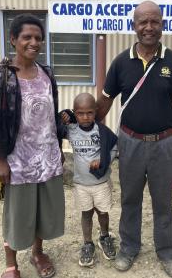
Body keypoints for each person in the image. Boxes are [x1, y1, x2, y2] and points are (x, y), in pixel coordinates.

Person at [96, 0, 172, 277]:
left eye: (154, 21)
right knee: (130, 198)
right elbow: (104, 101)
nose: (149, 27)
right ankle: (129, 248)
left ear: (162, 25)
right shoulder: (121, 63)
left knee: (163, 200)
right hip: (129, 143)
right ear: (134, 26)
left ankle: (166, 252)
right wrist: (86, 127)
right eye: (143, 22)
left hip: (164, 144)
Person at [0, 14, 65, 278]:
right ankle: (11, 264)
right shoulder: (1, 76)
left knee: (42, 210)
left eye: (38, 38)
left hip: (47, 156)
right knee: (17, 214)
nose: (34, 42)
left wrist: (59, 147)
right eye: (27, 37)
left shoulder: (46, 73)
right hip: (17, 159)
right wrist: (0, 160)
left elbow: (49, 115)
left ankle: (37, 253)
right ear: (13, 40)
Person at [60, 93, 118, 268]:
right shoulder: (71, 130)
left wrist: (103, 160)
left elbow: (115, 145)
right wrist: (64, 115)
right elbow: (53, 127)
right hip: (81, 184)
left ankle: (104, 237)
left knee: (102, 212)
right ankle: (87, 243)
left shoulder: (101, 131)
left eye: (90, 113)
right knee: (86, 213)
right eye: (80, 113)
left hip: (100, 182)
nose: (85, 117)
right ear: (75, 113)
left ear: (96, 112)